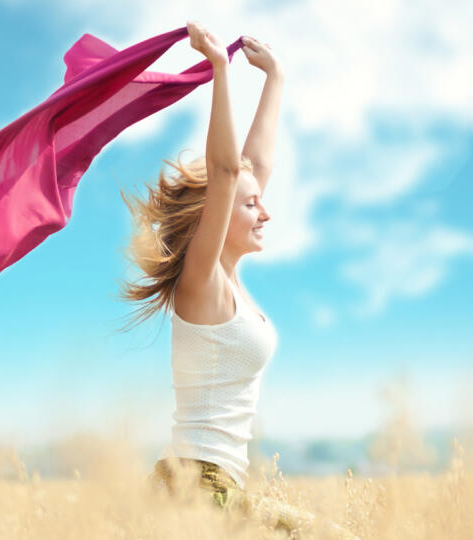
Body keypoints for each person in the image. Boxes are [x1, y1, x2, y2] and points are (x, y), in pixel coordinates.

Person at [116, 21, 359, 540]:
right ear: (219, 215)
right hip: (194, 490)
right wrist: (220, 72)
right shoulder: (201, 284)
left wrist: (275, 79)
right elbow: (226, 175)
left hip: (215, 489)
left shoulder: (229, 282)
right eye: (252, 207)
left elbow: (250, 168)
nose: (265, 212)